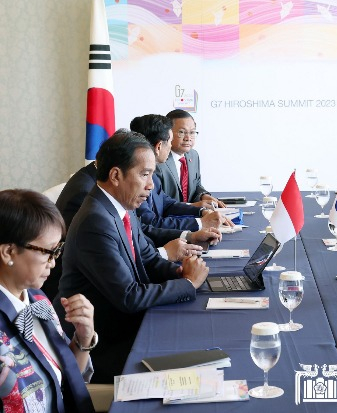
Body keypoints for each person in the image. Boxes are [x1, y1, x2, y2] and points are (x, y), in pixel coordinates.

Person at [55, 131, 209, 383]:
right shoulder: (95, 220)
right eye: (144, 174)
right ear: (116, 175)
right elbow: (128, 296)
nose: (151, 185)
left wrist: (179, 272)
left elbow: (148, 257)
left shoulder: (120, 206)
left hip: (129, 325)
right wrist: (188, 284)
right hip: (106, 344)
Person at [0, 189, 96, 412]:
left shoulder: (37, 298)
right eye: (48, 252)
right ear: (8, 252)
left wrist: (83, 338)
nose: (53, 263)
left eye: (57, 250)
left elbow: (69, 377)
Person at [130, 115, 232, 231]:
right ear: (159, 146)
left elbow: (167, 204)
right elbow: (150, 222)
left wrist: (200, 211)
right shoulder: (137, 179)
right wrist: (199, 223)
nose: (170, 146)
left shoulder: (152, 175)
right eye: (170, 141)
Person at [156, 109, 224, 207]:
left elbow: (196, 185)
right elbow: (160, 203)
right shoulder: (159, 160)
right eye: (182, 132)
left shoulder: (193, 155)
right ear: (168, 133)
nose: (188, 138)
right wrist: (191, 207)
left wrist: (203, 196)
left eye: (192, 132)